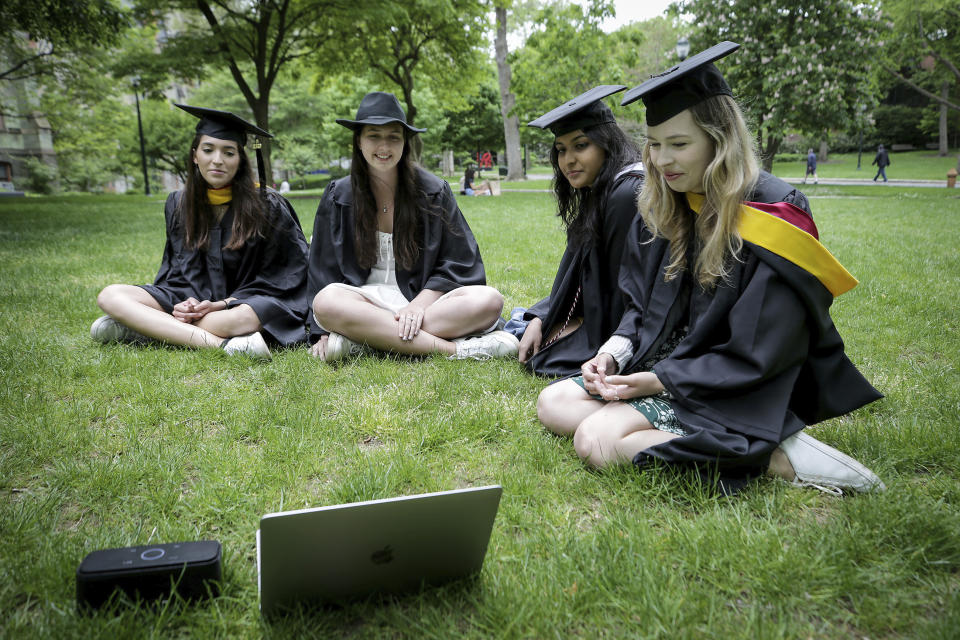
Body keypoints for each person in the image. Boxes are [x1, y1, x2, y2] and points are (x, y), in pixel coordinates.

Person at [536, 42, 884, 495]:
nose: (661, 161)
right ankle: (716, 440)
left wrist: (662, 379)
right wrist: (613, 355)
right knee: (554, 401)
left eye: (679, 144)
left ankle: (777, 457)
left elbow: (763, 343)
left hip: (729, 385)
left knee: (596, 440)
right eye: (655, 145)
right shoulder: (670, 203)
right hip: (666, 370)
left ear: (721, 139)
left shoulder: (774, 209)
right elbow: (642, 307)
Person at [308, 91, 518, 361]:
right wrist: (321, 332)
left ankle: (364, 338)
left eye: (393, 137)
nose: (384, 147)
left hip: (424, 303)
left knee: (489, 301)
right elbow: (321, 269)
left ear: (405, 143)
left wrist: (419, 305)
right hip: (361, 302)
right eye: (373, 136)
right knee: (325, 302)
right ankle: (458, 351)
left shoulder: (433, 191)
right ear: (358, 141)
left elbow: (460, 262)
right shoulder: (339, 196)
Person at [92, 104, 310, 360]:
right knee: (111, 295)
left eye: (228, 153)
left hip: (242, 304)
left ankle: (148, 328)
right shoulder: (179, 203)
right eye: (208, 150)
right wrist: (188, 304)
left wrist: (225, 303)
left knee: (242, 318)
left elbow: (286, 275)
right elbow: (177, 269)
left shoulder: (267, 204)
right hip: (193, 300)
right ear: (195, 155)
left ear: (240, 161)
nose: (217, 160)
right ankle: (223, 346)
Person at [519, 85, 644, 377]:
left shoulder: (627, 194)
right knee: (538, 335)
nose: (568, 160)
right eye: (561, 150)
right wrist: (541, 317)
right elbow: (583, 277)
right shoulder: (600, 191)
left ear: (606, 143)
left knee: (547, 355)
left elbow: (620, 291)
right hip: (608, 315)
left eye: (581, 145)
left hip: (630, 328)